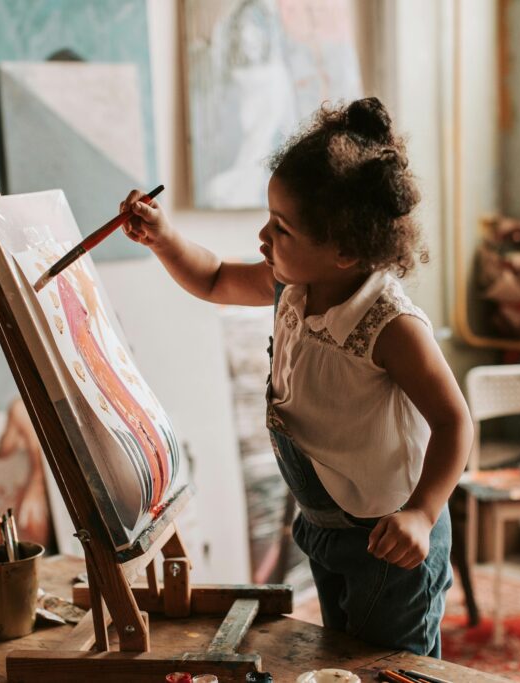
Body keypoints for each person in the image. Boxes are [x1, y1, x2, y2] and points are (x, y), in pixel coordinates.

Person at [118, 97, 473, 657]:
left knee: (389, 668)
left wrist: (423, 514)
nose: (264, 237)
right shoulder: (290, 286)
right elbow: (212, 279)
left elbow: (455, 422)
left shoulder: (389, 325)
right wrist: (164, 238)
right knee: (340, 658)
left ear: (345, 250)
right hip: (325, 523)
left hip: (391, 539)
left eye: (281, 229)